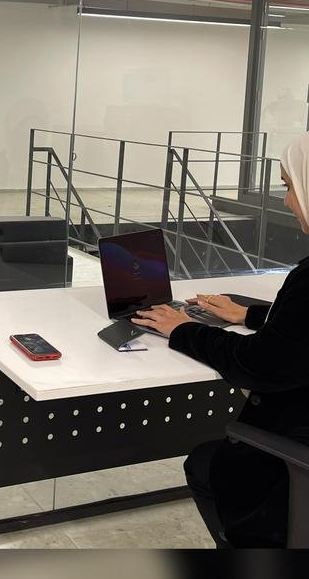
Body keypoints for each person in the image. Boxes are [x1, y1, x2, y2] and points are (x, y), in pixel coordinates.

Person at [132, 131, 309, 548]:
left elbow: (259, 365)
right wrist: (249, 314)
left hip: (291, 465)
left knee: (206, 464)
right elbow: (301, 334)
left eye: (289, 186)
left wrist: (183, 329)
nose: (287, 201)